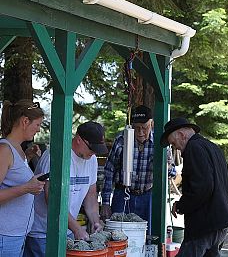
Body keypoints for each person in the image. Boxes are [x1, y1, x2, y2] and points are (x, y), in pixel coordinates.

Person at [23, 121, 108, 257]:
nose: (94, 153)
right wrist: (76, 228)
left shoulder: (91, 159)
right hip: (42, 232)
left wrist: (95, 221)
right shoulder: (56, 155)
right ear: (79, 140)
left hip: (66, 231)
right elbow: (51, 199)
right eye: (92, 149)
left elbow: (91, 196)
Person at [160, 117, 228, 257]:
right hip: (222, 221)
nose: (175, 148)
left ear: (182, 135)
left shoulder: (193, 148)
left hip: (204, 225)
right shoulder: (212, 146)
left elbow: (202, 187)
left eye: (173, 143)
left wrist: (181, 205)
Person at [101, 105, 175, 234]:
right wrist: (106, 202)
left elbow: (172, 173)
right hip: (122, 194)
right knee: (118, 235)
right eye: (136, 128)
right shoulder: (121, 141)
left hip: (148, 196)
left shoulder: (161, 144)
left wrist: (167, 166)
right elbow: (109, 172)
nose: (140, 133)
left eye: (144, 128)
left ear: (151, 124)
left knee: (149, 235)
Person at [0, 100, 45, 257]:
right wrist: (26, 188)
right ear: (25, 121)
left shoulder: (17, 148)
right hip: (5, 235)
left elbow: (11, 173)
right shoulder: (4, 150)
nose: (38, 130)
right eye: (38, 125)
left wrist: (27, 156)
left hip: (17, 234)